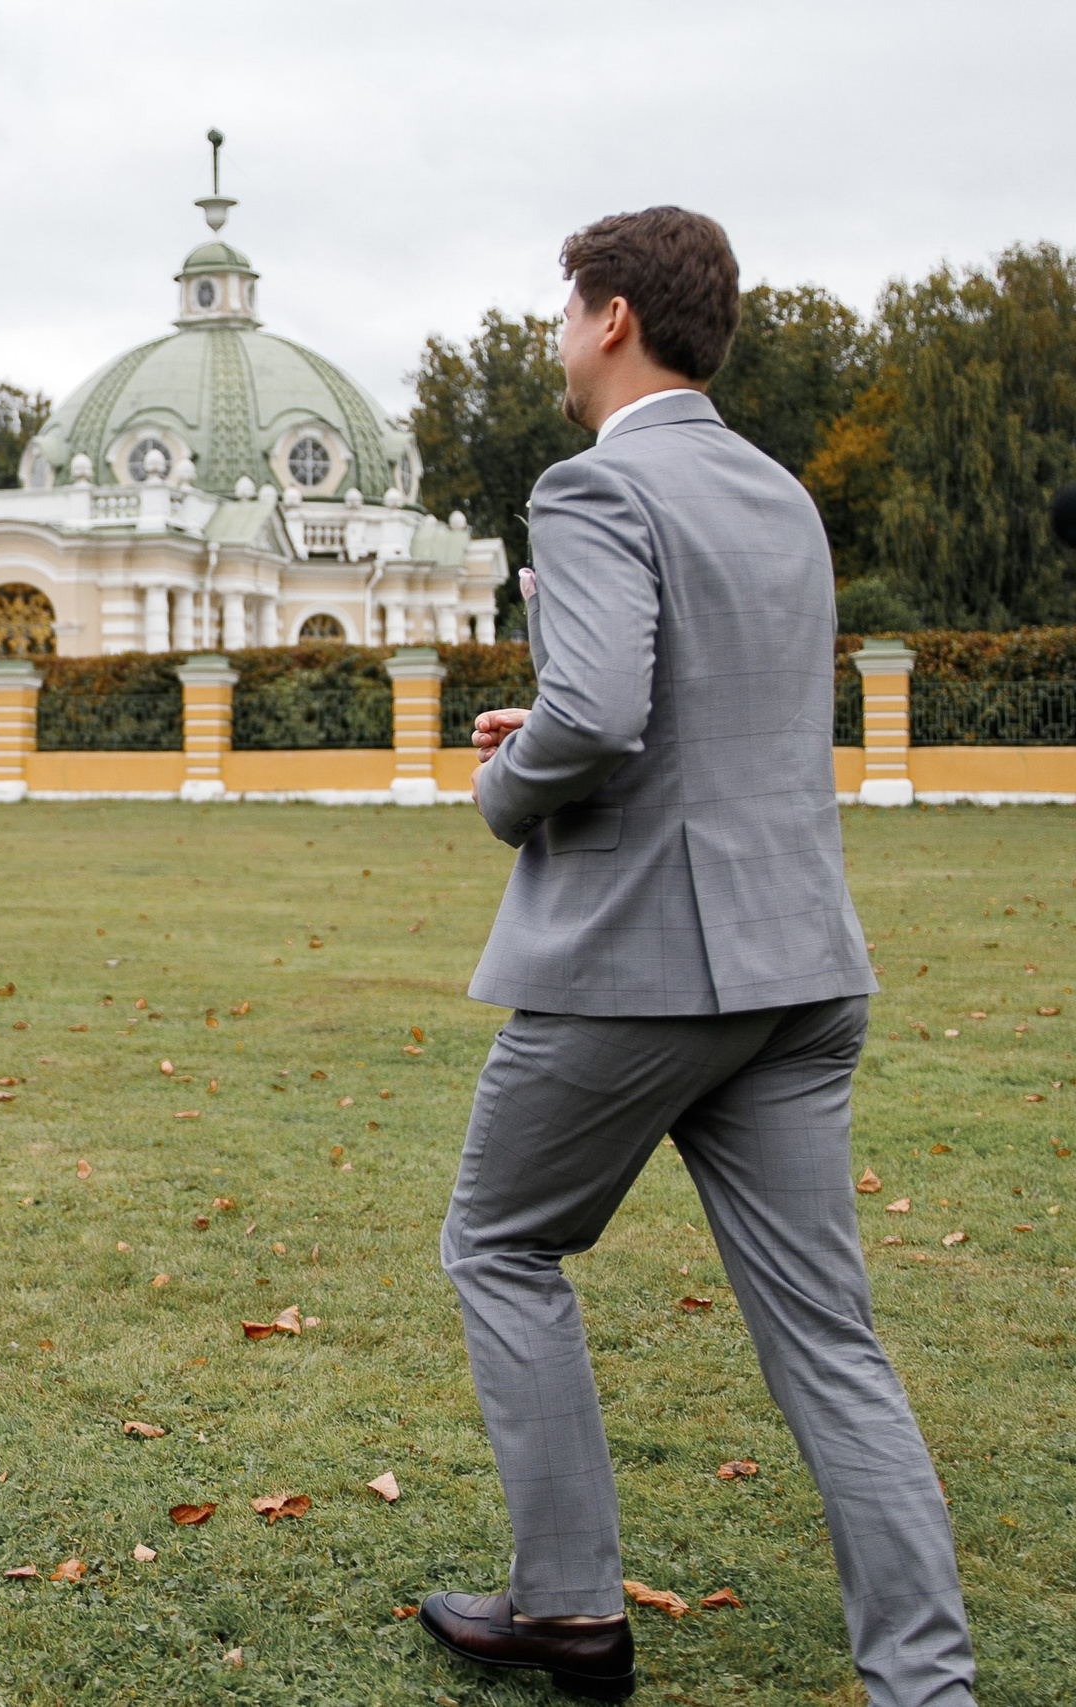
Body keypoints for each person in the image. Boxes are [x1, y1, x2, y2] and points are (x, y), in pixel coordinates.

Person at [418, 208, 975, 1707]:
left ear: (607, 318)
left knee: (499, 1240)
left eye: (563, 310)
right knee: (829, 1342)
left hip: (644, 969)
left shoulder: (590, 487)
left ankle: (571, 1611)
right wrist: (536, 723)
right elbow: (692, 706)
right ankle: (928, 1681)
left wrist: (503, 781)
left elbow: (599, 717)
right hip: (803, 967)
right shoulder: (778, 493)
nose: (556, 335)